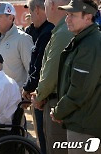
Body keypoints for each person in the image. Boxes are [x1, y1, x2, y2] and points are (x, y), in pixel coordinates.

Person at [51, 0, 101, 153]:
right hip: (83, 122)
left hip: (85, 126)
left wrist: (59, 111)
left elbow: (79, 90)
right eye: (67, 14)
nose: (67, 19)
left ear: (88, 17)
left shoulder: (90, 44)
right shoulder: (85, 40)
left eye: (72, 15)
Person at [30, 0, 74, 153]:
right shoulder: (60, 30)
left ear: (53, 5)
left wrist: (40, 95)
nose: (44, 7)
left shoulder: (63, 33)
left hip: (58, 102)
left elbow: (52, 72)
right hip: (56, 100)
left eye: (46, 3)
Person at [22, 0, 54, 153]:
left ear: (38, 10)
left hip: (45, 95)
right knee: (42, 139)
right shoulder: (34, 30)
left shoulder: (49, 31)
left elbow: (40, 65)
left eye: (30, 11)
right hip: (37, 93)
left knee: (46, 140)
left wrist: (28, 87)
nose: (29, 15)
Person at [0, 2, 34, 88]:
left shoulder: (23, 38)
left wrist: (27, 92)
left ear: (10, 17)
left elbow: (32, 70)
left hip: (17, 97)